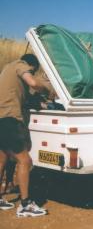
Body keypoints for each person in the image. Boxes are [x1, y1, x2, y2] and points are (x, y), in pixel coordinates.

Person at [0, 54, 50, 217]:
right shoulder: (21, 65)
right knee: (25, 161)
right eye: (33, 70)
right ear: (32, 66)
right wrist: (45, 88)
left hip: (1, 119)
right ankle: (25, 204)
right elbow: (33, 83)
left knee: (2, 158)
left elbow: (23, 94)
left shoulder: (7, 69)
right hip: (9, 119)